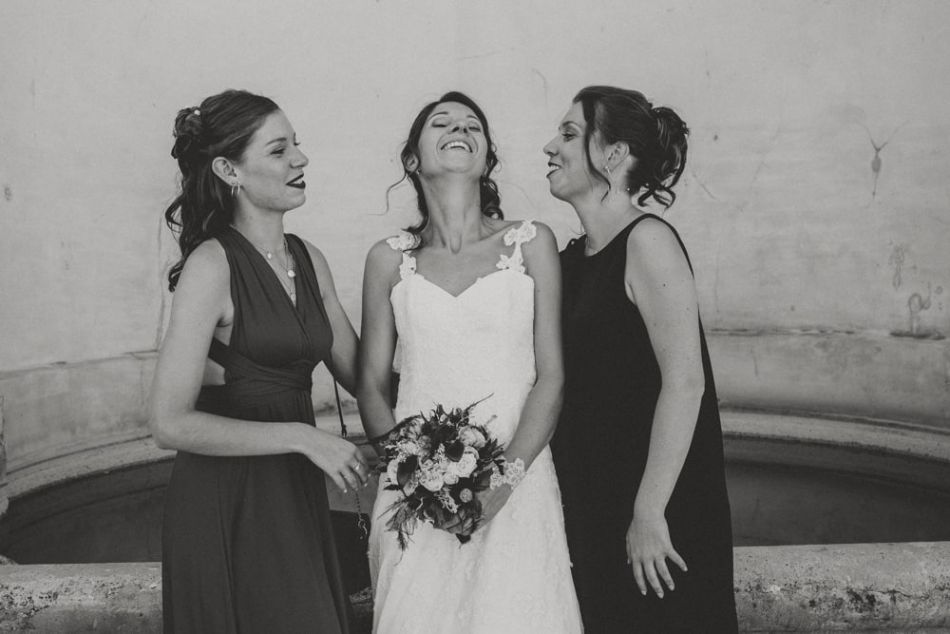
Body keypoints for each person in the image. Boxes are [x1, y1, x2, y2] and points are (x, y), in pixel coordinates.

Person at [358, 91, 582, 633]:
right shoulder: (388, 258)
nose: (460, 127)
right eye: (442, 122)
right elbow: (369, 382)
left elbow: (551, 374)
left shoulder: (531, 243)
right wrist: (411, 478)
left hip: (519, 476)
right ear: (413, 159)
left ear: (486, 159)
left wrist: (503, 483)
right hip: (414, 493)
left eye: (473, 126)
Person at [149, 89, 367, 634]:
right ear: (229, 169)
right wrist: (304, 436)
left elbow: (364, 377)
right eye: (278, 150)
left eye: (297, 144)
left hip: (293, 495)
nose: (300, 159)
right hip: (228, 503)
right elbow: (168, 422)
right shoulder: (210, 266)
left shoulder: (309, 259)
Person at [545, 86, 738, 632]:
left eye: (568, 134)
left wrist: (649, 512)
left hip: (656, 506)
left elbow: (685, 383)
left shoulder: (647, 240)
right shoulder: (571, 260)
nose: (549, 147)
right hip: (593, 500)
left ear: (613, 154)